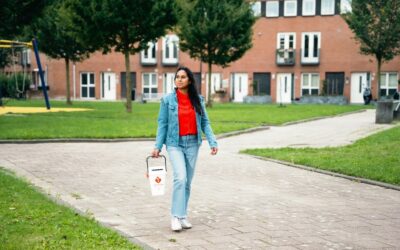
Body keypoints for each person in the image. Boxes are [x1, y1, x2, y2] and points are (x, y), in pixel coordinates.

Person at [151, 66, 218, 232]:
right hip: (175, 143)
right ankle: (174, 216)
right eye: (177, 77)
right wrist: (157, 146)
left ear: (189, 80)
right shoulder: (168, 100)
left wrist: (212, 141)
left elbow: (205, 122)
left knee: (187, 182)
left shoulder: (198, 100)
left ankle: (182, 215)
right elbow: (163, 123)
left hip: (193, 144)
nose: (179, 80)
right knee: (180, 178)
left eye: (182, 77)